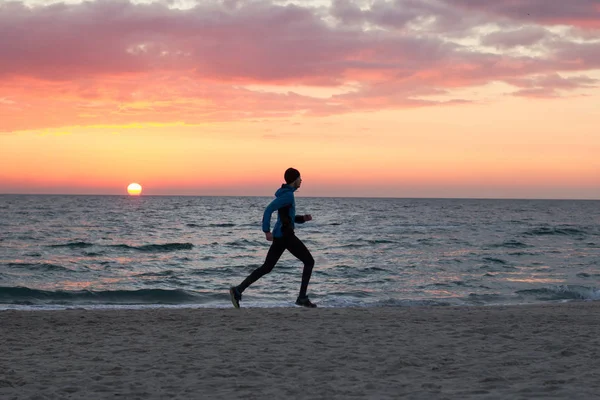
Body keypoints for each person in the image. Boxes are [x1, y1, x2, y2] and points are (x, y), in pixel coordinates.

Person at [229, 167, 317, 308]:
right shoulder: (288, 196)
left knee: (267, 267)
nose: (301, 180)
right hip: (286, 236)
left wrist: (302, 219)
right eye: (300, 178)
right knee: (309, 262)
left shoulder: (286, 194)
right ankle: (301, 298)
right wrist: (266, 231)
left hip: (281, 236)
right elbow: (269, 209)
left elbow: (288, 218)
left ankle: (238, 290)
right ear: (294, 180)